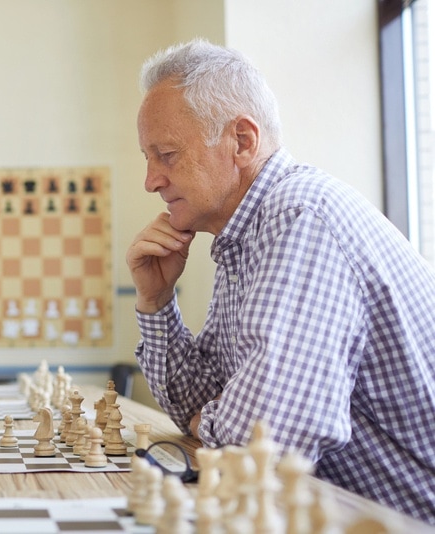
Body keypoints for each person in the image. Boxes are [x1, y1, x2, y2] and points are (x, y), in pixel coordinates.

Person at [126, 39, 435, 523]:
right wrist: (156, 299)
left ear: (243, 142)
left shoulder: (299, 219)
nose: (150, 180)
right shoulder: (241, 237)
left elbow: (259, 443)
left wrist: (212, 420)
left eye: (166, 154)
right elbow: (197, 401)